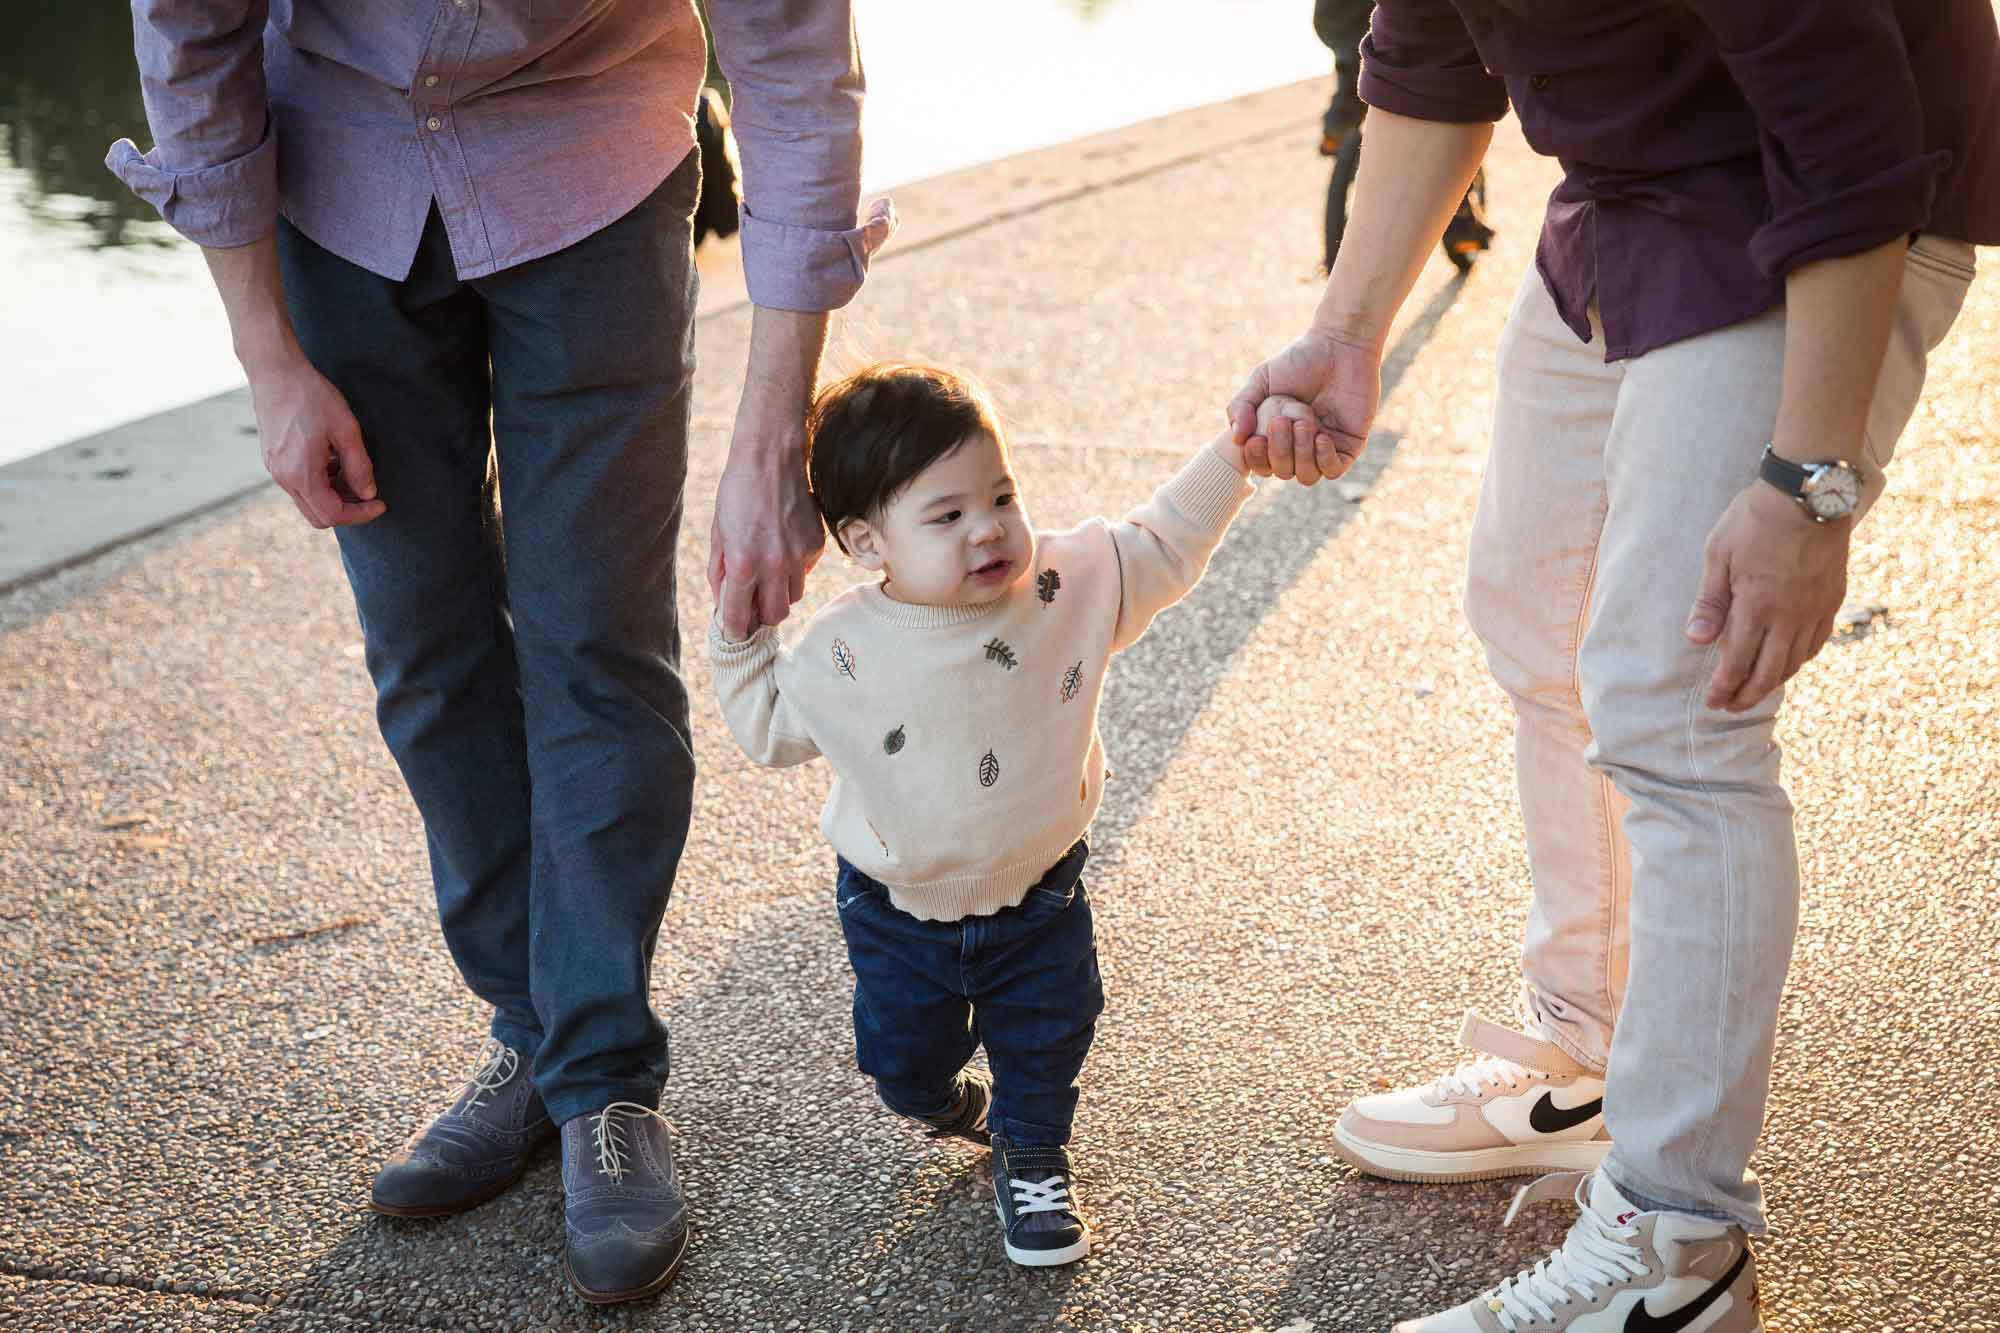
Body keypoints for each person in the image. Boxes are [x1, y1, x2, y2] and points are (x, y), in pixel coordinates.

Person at [107, 0, 892, 1305]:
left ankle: (596, 1076)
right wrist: (268, 357)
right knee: (425, 641)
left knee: (595, 642)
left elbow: (794, 48)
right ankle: (530, 1031)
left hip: (594, 162)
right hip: (336, 185)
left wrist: (776, 435)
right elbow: (192, 36)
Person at [1229, 1, 1997, 1328]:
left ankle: (1678, 1241)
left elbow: (1848, 132)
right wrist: (1348, 333)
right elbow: (1425, 48)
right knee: (1536, 609)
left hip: (1813, 210)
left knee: (1677, 701)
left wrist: (1808, 487)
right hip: (1629, 195)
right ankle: (1588, 1051)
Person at [708, 362, 1304, 1267]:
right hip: (897, 911)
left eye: (1002, 495)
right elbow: (766, 728)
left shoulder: (1063, 586)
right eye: (945, 516)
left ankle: (1033, 1150)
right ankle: (940, 1100)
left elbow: (1165, 540)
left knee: (1050, 1030)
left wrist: (1236, 457)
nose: (988, 528)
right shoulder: (845, 650)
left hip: (1041, 894)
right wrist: (736, 630)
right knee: (901, 1063)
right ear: (868, 543)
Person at [1313, 0, 1491, 275]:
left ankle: (1339, 121)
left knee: (1352, 56)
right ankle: (1461, 222)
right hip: (1404, 19)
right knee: (1444, 101)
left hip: (1338, 16)